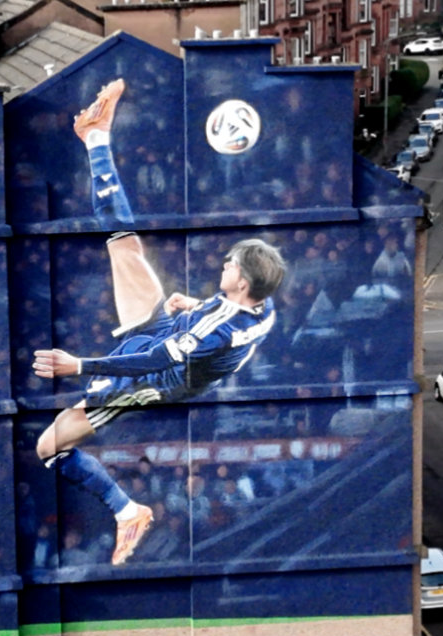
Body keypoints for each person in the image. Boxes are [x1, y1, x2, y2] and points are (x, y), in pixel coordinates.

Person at [32, 79, 287, 566]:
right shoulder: (260, 303)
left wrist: (78, 366)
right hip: (172, 334)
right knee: (122, 242)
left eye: (230, 266)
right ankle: (96, 137)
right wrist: (192, 305)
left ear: (242, 285)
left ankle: (127, 510)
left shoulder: (218, 326)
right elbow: (224, 324)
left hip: (154, 378)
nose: (224, 266)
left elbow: (152, 361)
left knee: (49, 445)